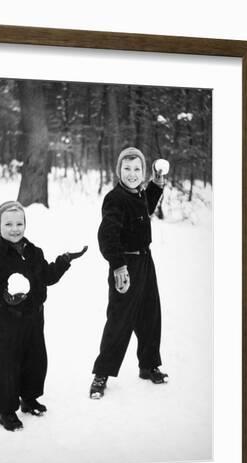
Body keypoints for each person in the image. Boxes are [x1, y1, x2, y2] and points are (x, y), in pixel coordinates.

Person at [0, 201, 87, 431]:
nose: (15, 228)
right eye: (8, 223)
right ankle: (6, 410)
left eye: (19, 223)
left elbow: (47, 276)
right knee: (7, 365)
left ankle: (29, 399)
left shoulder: (34, 252)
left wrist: (63, 261)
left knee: (35, 361)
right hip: (10, 320)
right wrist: (6, 297)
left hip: (35, 318)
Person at [90, 147, 168, 399]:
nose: (132, 174)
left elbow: (147, 207)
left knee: (150, 315)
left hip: (146, 262)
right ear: (118, 171)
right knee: (119, 320)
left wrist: (157, 183)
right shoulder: (115, 198)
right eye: (127, 168)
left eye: (137, 169)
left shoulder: (138, 194)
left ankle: (149, 365)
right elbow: (107, 234)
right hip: (126, 266)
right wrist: (118, 265)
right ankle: (101, 373)